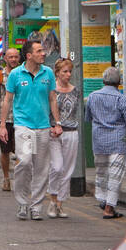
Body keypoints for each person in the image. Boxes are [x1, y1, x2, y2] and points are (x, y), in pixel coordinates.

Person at [0, 39, 61, 221]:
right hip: (23, 126)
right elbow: (8, 100)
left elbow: (52, 99)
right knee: (24, 162)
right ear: (29, 55)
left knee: (41, 168)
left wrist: (57, 122)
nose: (43, 53)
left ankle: (36, 206)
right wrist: (2, 125)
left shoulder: (48, 73)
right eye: (39, 51)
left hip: (42, 127)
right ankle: (22, 202)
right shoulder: (16, 75)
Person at [85, 66, 126, 219]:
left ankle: (102, 199)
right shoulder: (122, 99)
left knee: (101, 172)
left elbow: (88, 118)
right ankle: (109, 208)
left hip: (98, 141)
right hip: (117, 142)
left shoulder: (92, 97)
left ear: (103, 80)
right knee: (115, 175)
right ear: (119, 82)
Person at [46, 58, 81, 218]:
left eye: (69, 71)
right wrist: (51, 126)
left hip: (71, 131)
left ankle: (60, 203)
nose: (68, 75)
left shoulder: (75, 90)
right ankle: (52, 199)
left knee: (68, 169)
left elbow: (75, 113)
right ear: (57, 73)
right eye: (64, 72)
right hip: (54, 132)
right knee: (57, 167)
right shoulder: (51, 90)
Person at [0, 47, 21, 191]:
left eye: (15, 57)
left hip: (21, 118)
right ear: (5, 59)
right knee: (5, 151)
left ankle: (20, 179)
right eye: (10, 57)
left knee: (21, 151)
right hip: (4, 119)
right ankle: (6, 177)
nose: (13, 59)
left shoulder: (23, 74)